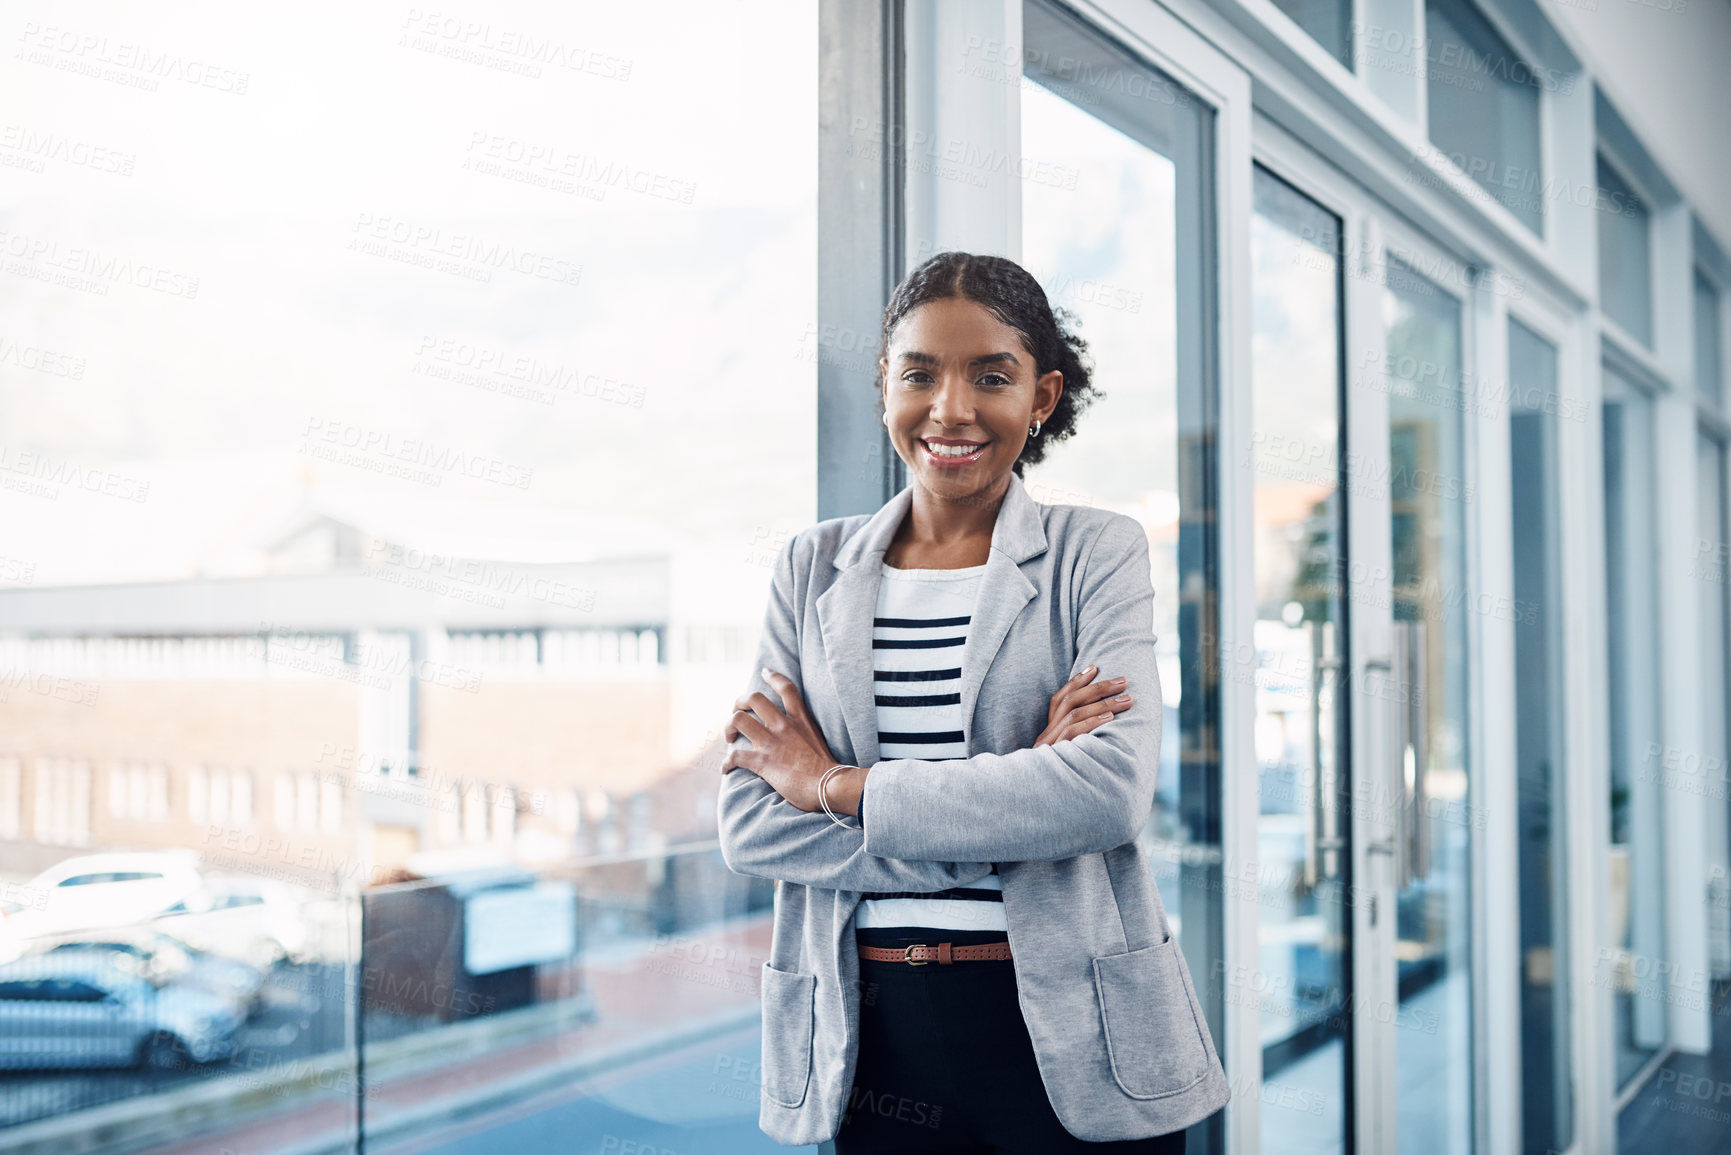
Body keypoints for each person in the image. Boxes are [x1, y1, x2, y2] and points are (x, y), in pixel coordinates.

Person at [718, 251, 1228, 1152]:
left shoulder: (1092, 552)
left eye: (990, 376)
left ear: (1040, 397)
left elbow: (1105, 793)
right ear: (884, 383)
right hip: (868, 1043)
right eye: (919, 373)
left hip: (1076, 1032)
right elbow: (750, 822)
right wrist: (1019, 806)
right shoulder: (810, 567)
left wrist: (836, 786)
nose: (950, 408)